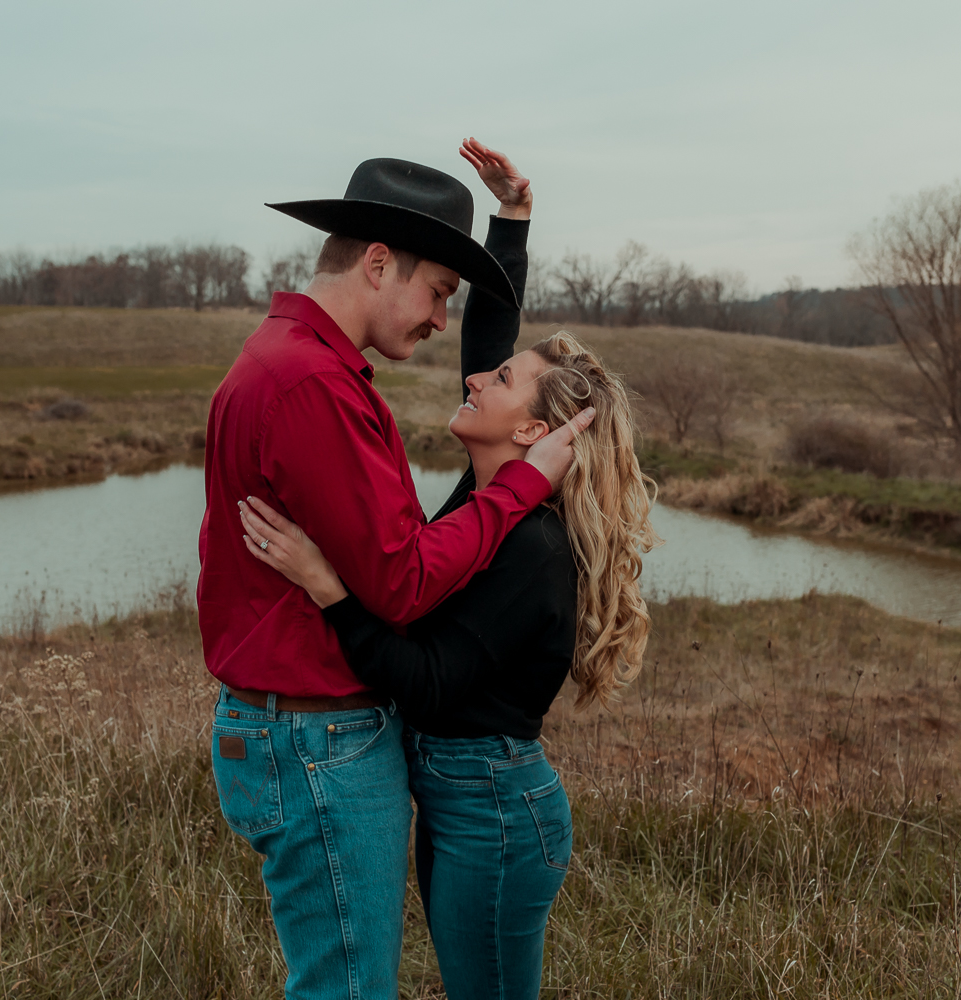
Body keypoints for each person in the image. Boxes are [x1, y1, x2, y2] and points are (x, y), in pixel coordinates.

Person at [238, 148, 659, 998]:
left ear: (536, 435)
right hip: (464, 800)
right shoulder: (493, 499)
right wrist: (509, 225)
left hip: (492, 808)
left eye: (500, 382)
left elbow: (426, 684)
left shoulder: (531, 550)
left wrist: (329, 589)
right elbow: (492, 335)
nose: (474, 371)